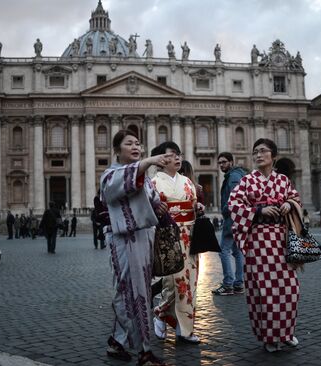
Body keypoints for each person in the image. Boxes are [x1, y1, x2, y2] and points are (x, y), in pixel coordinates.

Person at [100, 129, 170, 365]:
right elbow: (121, 185)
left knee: (138, 290)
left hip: (144, 238)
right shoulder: (110, 175)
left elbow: (150, 200)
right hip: (123, 239)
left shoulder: (145, 177)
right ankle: (144, 350)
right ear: (117, 149)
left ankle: (117, 342)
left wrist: (159, 207)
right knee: (129, 291)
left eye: (138, 143)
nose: (136, 146)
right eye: (129, 143)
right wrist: (148, 161)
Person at [228, 138, 302, 353]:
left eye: (263, 151)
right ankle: (269, 337)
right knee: (264, 290)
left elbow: (295, 198)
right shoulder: (247, 181)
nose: (259, 155)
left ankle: (286, 333)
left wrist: (289, 203)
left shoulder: (283, 180)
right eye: (256, 152)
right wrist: (258, 211)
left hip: (282, 240)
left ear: (273, 156)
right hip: (258, 241)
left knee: (289, 289)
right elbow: (233, 205)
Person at [152, 142, 201, 345]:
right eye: (172, 155)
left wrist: (198, 207)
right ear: (162, 160)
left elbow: (192, 205)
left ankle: (184, 329)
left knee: (191, 284)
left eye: (179, 154)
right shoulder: (153, 182)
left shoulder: (187, 182)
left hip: (190, 236)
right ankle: (161, 312)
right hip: (167, 237)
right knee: (174, 282)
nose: (178, 158)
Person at [212, 152, 245, 296]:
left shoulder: (233, 177)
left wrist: (225, 210)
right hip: (237, 219)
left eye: (224, 162)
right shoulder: (237, 175)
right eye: (219, 163)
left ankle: (228, 284)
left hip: (231, 219)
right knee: (237, 252)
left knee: (223, 251)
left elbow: (234, 199)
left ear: (231, 162)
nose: (221, 165)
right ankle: (239, 283)